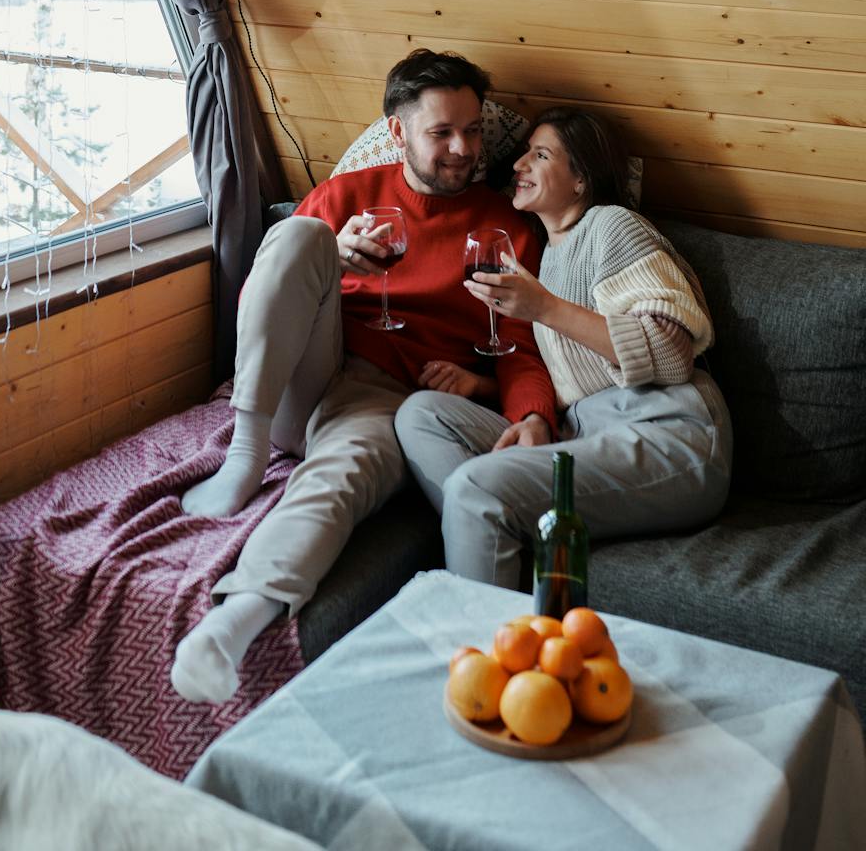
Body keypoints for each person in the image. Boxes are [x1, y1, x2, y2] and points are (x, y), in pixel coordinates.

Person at [170, 49, 557, 705]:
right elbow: (264, 300)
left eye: (472, 129)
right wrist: (334, 256)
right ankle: (244, 452)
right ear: (398, 132)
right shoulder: (348, 195)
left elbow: (522, 348)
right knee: (297, 237)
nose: (463, 148)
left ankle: (233, 624)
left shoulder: (507, 228)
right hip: (303, 379)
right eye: (442, 133)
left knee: (341, 475)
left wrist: (518, 409)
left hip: (391, 403)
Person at [394, 107, 733, 589]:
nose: (518, 165)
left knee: (475, 486)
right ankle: (497, 526)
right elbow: (577, 376)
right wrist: (482, 385)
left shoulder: (613, 227)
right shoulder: (546, 256)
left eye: (541, 154)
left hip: (670, 432)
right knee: (422, 413)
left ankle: (488, 643)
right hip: (585, 430)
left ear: (580, 180)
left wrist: (544, 307)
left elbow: (671, 353)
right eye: (524, 153)